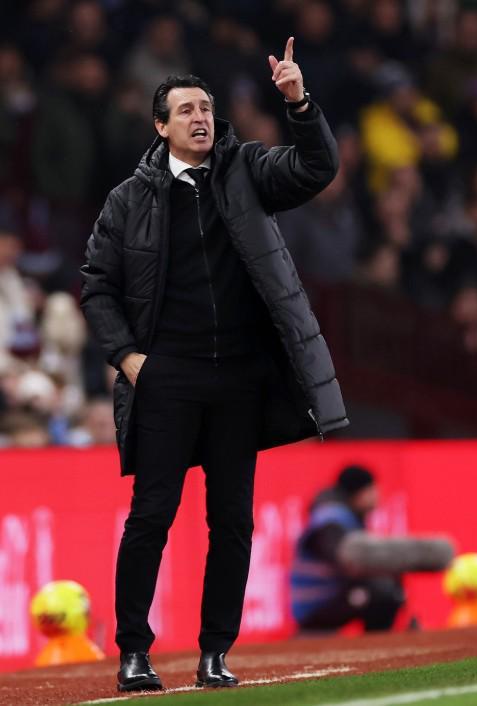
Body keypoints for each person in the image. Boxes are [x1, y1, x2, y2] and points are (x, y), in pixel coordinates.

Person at [80, 37, 348, 693]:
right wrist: (129, 359)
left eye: (205, 108)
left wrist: (300, 104)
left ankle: (215, 652)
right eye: (186, 110)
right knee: (151, 516)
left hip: (237, 380)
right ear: (161, 126)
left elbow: (317, 168)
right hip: (167, 377)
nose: (200, 118)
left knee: (231, 521)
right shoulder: (127, 200)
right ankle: (133, 651)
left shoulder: (246, 169)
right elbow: (97, 287)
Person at [290, 466, 453, 632]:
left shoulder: (346, 516)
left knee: (387, 583)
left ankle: (378, 640)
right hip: (315, 604)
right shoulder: (330, 520)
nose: (378, 495)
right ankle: (375, 642)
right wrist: (428, 553)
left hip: (334, 596)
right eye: (373, 489)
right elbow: (349, 556)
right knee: (381, 590)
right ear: (360, 493)